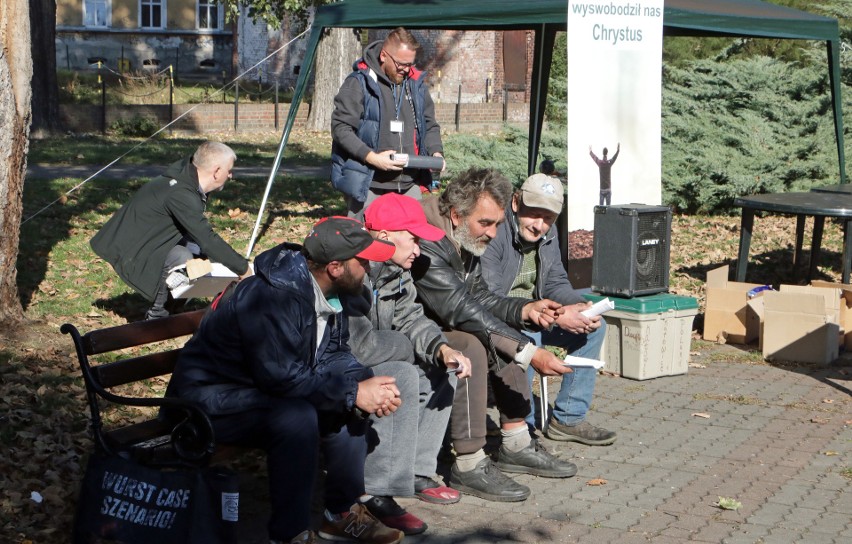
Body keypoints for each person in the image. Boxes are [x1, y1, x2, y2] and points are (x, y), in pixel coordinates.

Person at [167, 217, 404, 544]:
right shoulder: (273, 297)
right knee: (298, 417)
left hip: (258, 392)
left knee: (354, 386)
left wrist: (365, 386)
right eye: (363, 261)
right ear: (335, 267)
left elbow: (335, 352)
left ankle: (341, 514)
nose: (369, 268)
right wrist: (353, 392)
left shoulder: (329, 292)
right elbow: (281, 378)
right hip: (208, 401)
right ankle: (288, 535)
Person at [411, 168, 579, 503]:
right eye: (485, 223)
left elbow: (480, 296)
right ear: (457, 214)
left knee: (507, 329)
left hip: (439, 318)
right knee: (473, 341)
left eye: (498, 224)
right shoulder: (428, 240)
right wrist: (530, 353)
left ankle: (516, 441)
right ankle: (470, 464)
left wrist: (524, 310)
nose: (493, 232)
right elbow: (460, 308)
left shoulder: (463, 234)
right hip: (406, 329)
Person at [341, 193, 471, 535]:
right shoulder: (354, 269)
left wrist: (442, 350)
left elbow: (412, 318)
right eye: (412, 238)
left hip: (374, 355)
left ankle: (416, 471)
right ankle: (377, 491)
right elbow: (361, 347)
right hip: (341, 369)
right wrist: (408, 351)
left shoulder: (397, 271)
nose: (418, 249)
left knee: (443, 370)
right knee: (399, 374)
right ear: (383, 236)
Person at [480, 173, 616, 445]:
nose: (540, 225)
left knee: (592, 329)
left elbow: (555, 280)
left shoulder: (549, 232)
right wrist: (550, 314)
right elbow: (490, 297)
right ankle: (523, 428)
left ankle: (569, 418)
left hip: (539, 314)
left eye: (549, 218)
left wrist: (575, 306)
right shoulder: (494, 231)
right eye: (534, 214)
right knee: (531, 336)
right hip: (501, 318)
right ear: (516, 203)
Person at [90, 141, 253, 320]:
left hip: (152, 242)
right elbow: (206, 238)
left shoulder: (190, 183)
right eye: (229, 170)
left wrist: (225, 263)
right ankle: (157, 317)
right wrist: (243, 269)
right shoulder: (181, 193)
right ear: (216, 171)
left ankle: (176, 308)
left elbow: (201, 239)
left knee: (201, 257)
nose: (231, 175)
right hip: (132, 249)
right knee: (182, 258)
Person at [331, 27, 444, 216]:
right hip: (369, 184)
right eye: (401, 64)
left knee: (412, 242)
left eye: (410, 64)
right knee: (370, 243)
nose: (406, 70)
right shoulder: (359, 83)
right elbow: (341, 129)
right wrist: (372, 158)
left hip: (409, 184)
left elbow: (429, 124)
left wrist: (436, 152)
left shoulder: (416, 85)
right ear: (384, 56)